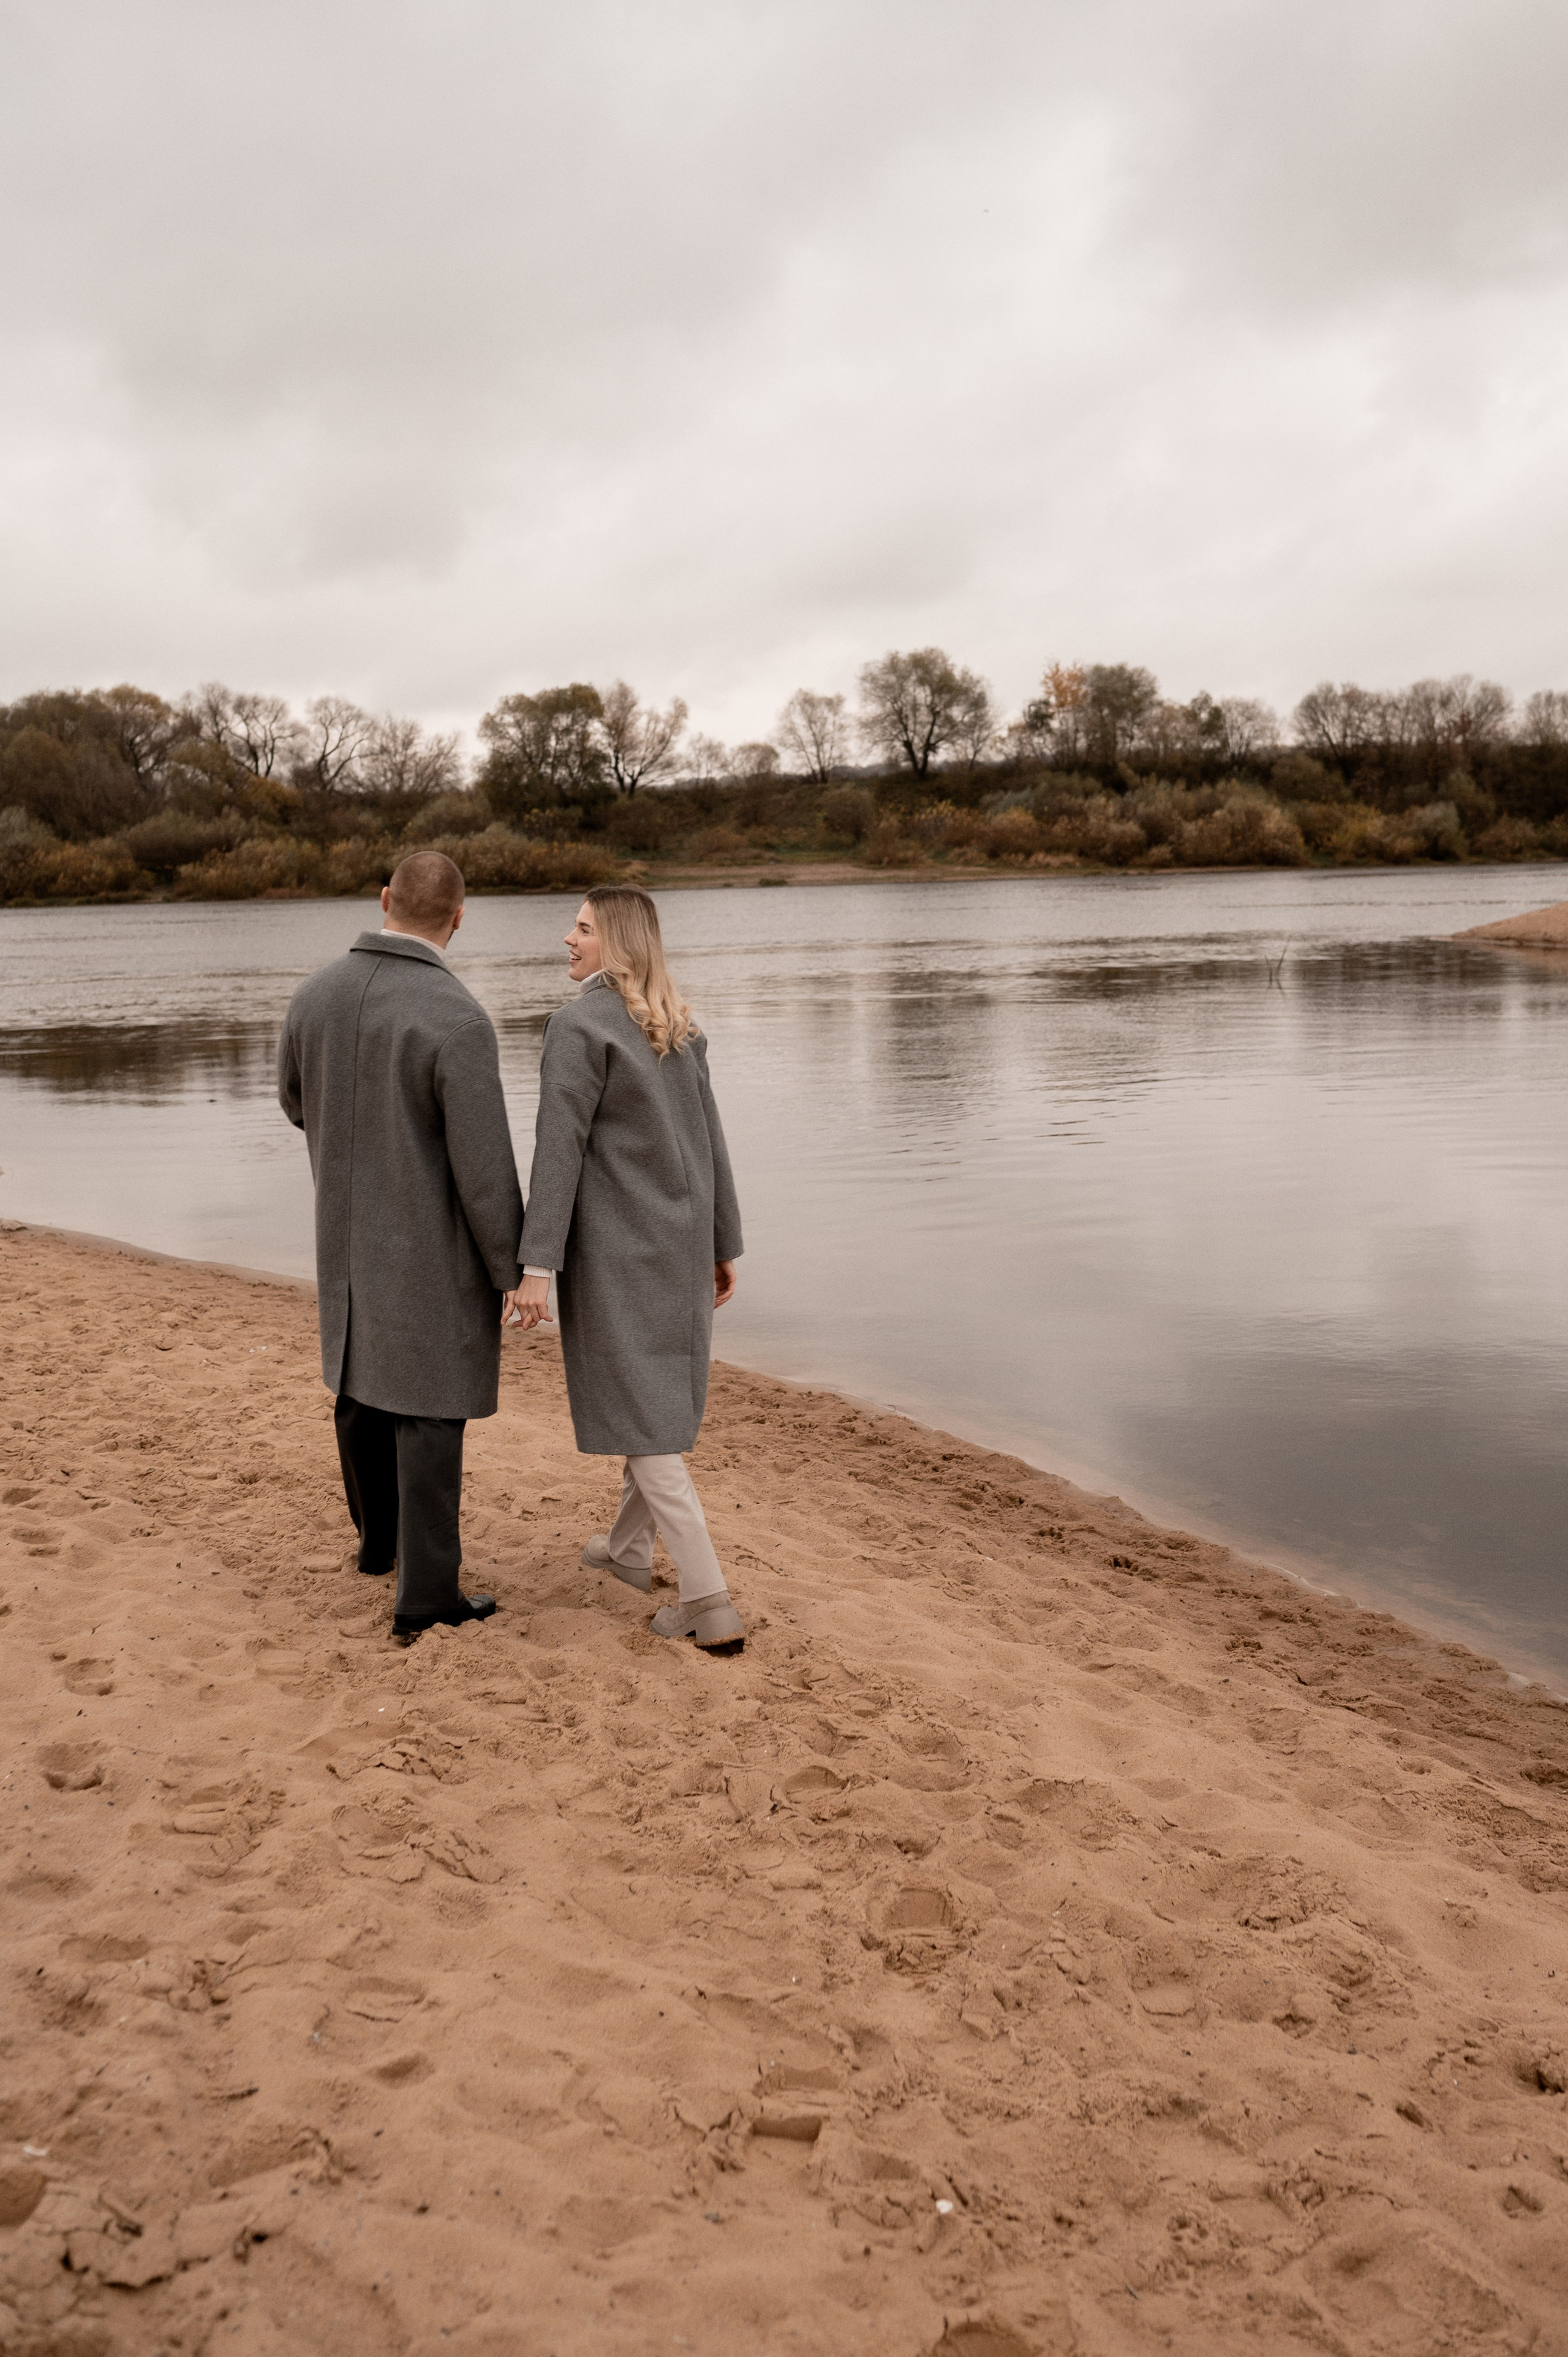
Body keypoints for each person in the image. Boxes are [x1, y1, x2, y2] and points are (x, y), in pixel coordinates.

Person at [277, 850, 523, 1639]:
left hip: (343, 1229)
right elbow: (484, 1173)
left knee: (359, 1385)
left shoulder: (313, 994)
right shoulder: (456, 1016)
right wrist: (511, 1267)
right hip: (427, 1242)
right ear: (459, 916)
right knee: (427, 1408)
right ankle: (426, 1598)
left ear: (383, 901)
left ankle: (376, 1546)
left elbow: (293, 1101)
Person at [513, 885, 745, 1650]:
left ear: (615, 943)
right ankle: (626, 1551)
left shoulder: (578, 1027)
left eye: (581, 928)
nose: (567, 938)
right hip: (678, 1247)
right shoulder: (678, 1026)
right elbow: (712, 1147)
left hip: (619, 1254)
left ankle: (708, 1600)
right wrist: (722, 1242)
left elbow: (558, 1152)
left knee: (646, 1418)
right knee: (651, 1400)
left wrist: (536, 1265)